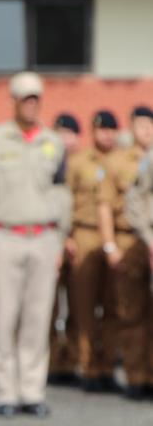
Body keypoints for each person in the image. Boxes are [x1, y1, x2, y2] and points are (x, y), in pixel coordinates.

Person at [0, 72, 70, 417]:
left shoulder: (53, 142)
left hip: (43, 237)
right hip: (4, 235)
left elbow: (61, 192)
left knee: (37, 318)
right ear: (13, 101)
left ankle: (31, 390)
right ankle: (4, 392)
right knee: (2, 317)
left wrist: (60, 240)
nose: (31, 105)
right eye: (25, 99)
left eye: (36, 99)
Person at [65, 111, 119, 392]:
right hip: (84, 232)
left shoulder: (122, 161)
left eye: (111, 130)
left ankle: (108, 365)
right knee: (83, 306)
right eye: (101, 129)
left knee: (113, 305)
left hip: (116, 236)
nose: (106, 135)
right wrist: (67, 235)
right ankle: (87, 366)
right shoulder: (78, 162)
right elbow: (65, 199)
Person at [101, 107, 151, 400]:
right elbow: (107, 205)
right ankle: (136, 375)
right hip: (129, 239)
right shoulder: (119, 161)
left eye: (150, 125)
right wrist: (110, 245)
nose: (146, 130)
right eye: (141, 125)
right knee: (131, 312)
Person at [47, 113, 83, 383]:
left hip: (80, 238)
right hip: (51, 238)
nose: (64, 139)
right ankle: (51, 362)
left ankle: (72, 360)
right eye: (60, 133)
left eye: (69, 134)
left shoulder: (85, 164)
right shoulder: (45, 163)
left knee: (78, 306)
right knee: (49, 306)